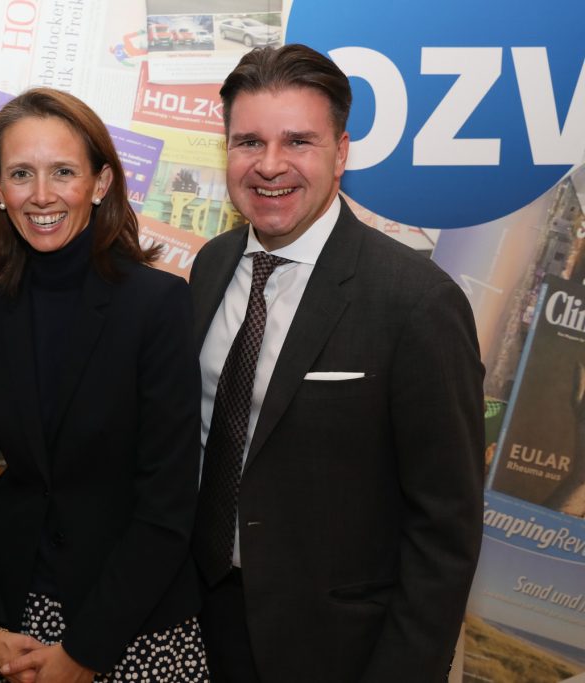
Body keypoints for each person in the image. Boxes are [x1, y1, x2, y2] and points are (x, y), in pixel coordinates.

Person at [191, 44, 484, 682]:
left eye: (298, 141)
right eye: (249, 142)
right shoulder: (211, 265)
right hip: (198, 619)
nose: (270, 165)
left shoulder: (417, 301)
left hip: (333, 649)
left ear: (341, 152)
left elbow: (446, 528)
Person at [0, 88, 207, 683]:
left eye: (63, 171)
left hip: (129, 625)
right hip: (7, 627)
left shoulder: (158, 305)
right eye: (21, 173)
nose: (42, 195)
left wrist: (84, 652)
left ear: (101, 182)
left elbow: (168, 506)